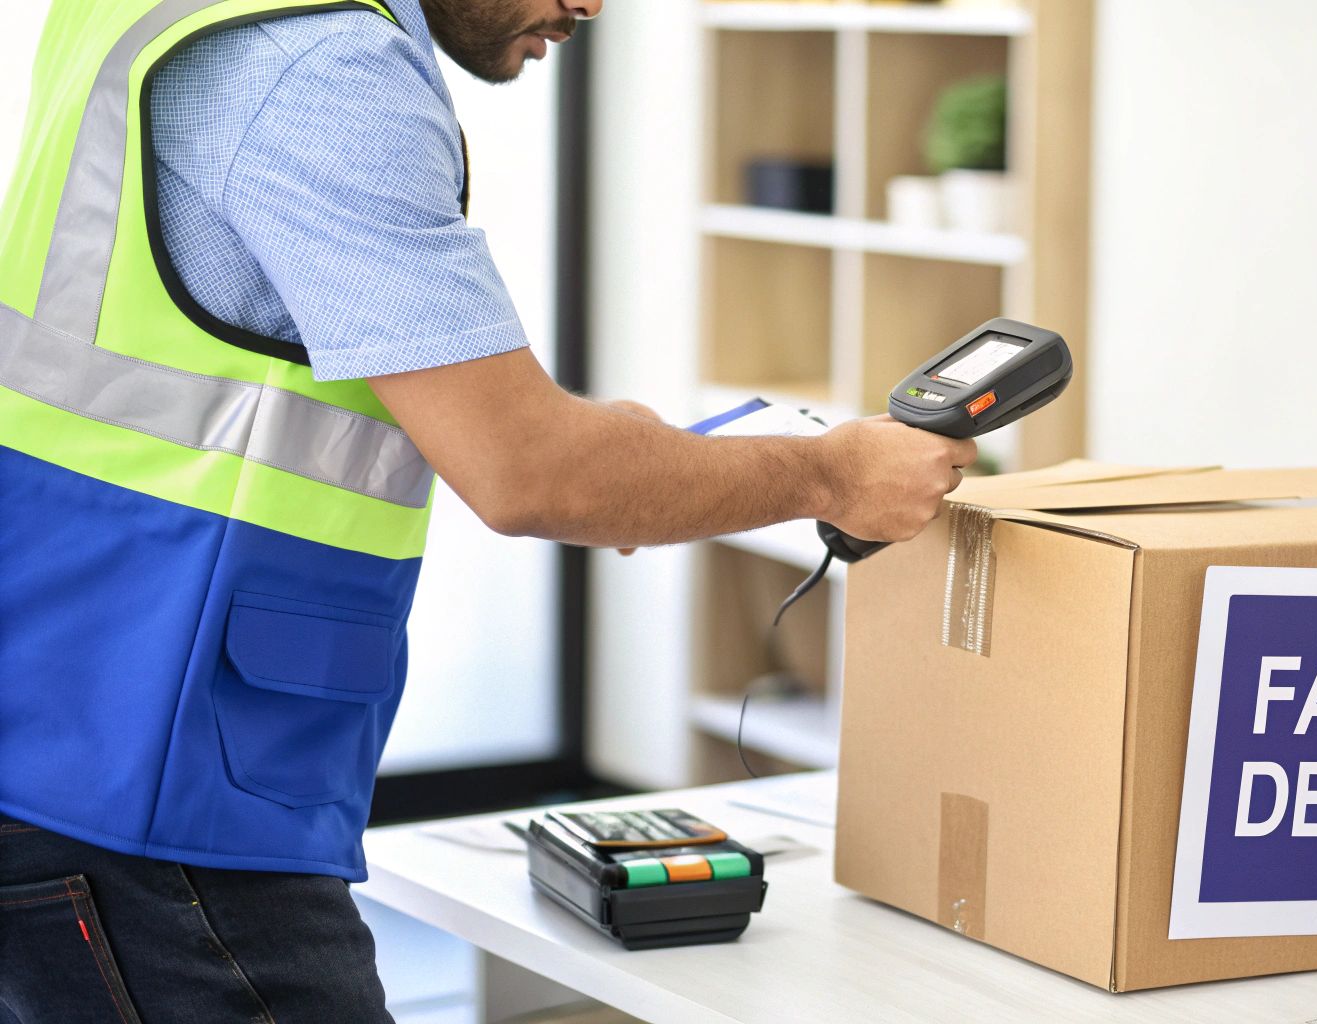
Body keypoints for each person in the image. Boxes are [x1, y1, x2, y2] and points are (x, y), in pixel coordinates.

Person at [0, 0, 974, 1018]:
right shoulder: (323, 68)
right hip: (152, 783)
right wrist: (829, 473)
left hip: (61, 715)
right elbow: (534, 478)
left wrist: (620, 465)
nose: (590, 5)